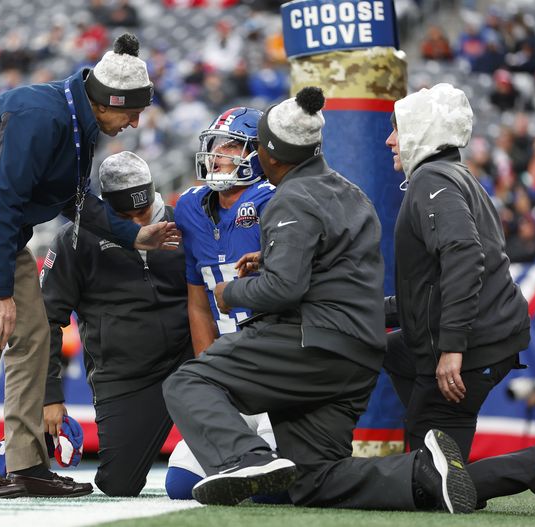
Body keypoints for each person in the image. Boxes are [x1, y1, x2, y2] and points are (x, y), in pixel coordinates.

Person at [164, 87, 479, 514]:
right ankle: (421, 472)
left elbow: (283, 290)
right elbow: (334, 268)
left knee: (187, 382)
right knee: (313, 479)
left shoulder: (288, 197)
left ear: (271, 155)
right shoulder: (351, 192)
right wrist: (272, 259)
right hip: (360, 357)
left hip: (315, 344)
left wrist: (229, 292)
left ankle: (247, 458)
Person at [0, 33, 180, 498]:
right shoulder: (42, 116)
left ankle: (26, 464)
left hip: (0, 225)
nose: (135, 122)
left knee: (34, 333)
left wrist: (134, 235)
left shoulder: (78, 120)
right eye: (132, 111)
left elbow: (76, 201)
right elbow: (0, 199)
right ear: (108, 101)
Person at [383, 83, 535, 518]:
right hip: (483, 334)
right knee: (384, 350)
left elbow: (465, 257)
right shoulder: (455, 175)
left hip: (469, 344)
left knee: (425, 484)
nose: (390, 140)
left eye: (396, 129)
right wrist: (371, 312)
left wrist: (451, 346)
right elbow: (431, 287)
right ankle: (434, 439)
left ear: (421, 129)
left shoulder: (432, 179)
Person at [41, 151, 192, 497]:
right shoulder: (74, 241)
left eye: (144, 212)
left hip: (191, 358)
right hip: (126, 376)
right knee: (118, 485)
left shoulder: (185, 223)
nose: (140, 224)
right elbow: (46, 321)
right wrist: (49, 395)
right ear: (106, 208)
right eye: (126, 216)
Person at [166, 106, 278, 500]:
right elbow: (197, 301)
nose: (217, 155)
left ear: (258, 154)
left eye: (230, 146)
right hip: (229, 363)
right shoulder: (191, 206)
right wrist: (211, 374)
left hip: (276, 368)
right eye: (215, 146)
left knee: (274, 493)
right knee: (180, 483)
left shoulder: (274, 202)